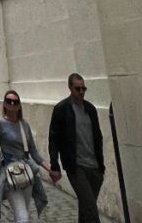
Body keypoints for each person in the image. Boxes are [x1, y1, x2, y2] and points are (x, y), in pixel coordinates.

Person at [0, 89, 54, 221]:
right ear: (4, 104)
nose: (12, 104)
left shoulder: (24, 125)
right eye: (8, 101)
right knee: (23, 216)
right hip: (9, 175)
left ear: (19, 105)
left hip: (26, 174)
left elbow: (34, 153)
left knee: (22, 213)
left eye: (15, 102)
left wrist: (51, 169)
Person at [48, 74, 105, 223]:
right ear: (70, 88)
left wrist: (101, 166)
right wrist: (55, 164)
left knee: (86, 209)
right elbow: (53, 138)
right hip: (76, 167)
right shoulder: (61, 109)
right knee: (91, 211)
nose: (81, 92)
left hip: (95, 168)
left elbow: (98, 136)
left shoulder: (90, 109)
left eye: (83, 88)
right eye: (77, 89)